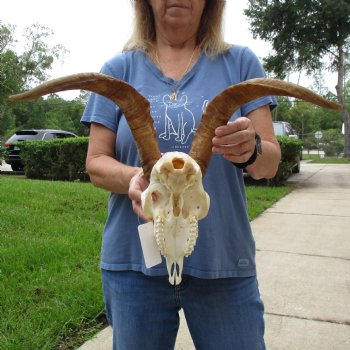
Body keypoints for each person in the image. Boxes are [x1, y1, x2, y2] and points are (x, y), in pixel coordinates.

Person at [81, 1, 281, 349]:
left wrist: (252, 149)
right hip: (134, 266)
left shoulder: (241, 63)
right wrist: (136, 178)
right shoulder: (117, 70)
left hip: (223, 263)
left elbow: (270, 164)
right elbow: (96, 162)